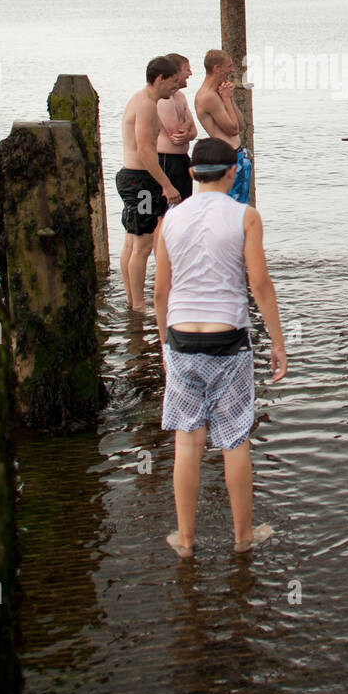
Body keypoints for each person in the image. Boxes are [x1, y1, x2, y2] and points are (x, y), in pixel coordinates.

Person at [153, 138, 288, 559]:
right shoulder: (245, 216)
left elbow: (160, 291)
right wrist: (278, 343)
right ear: (233, 173)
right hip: (227, 339)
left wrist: (163, 343)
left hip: (181, 337)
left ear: (191, 174)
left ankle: (187, 540)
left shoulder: (169, 220)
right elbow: (260, 283)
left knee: (188, 441)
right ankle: (243, 536)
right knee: (234, 439)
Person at [116, 56, 182, 312]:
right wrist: (166, 184)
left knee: (132, 243)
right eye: (173, 82)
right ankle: (139, 305)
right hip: (139, 180)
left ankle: (132, 301)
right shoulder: (144, 104)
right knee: (142, 245)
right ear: (159, 79)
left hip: (135, 178)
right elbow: (145, 151)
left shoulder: (145, 102)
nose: (175, 88)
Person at [195, 49, 252, 204]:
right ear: (216, 68)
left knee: (242, 205)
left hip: (237, 154)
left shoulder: (218, 93)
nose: (232, 70)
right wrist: (226, 100)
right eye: (229, 66)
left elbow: (240, 126)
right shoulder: (208, 96)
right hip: (227, 157)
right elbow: (232, 129)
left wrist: (230, 99)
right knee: (232, 204)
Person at [156, 53, 197, 205]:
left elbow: (194, 131)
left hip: (183, 160)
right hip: (167, 160)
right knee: (170, 206)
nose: (190, 73)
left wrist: (188, 129)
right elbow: (176, 133)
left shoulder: (180, 97)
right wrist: (186, 123)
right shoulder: (165, 100)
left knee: (185, 205)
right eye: (187, 69)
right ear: (175, 73)